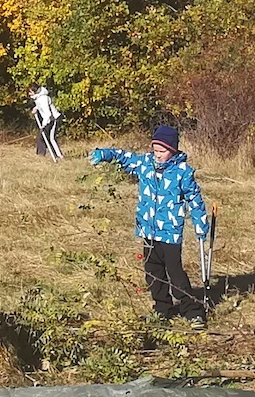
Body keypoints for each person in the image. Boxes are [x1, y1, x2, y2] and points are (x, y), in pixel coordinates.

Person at [89, 124, 214, 322]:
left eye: (162, 151)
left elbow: (194, 199)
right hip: (148, 230)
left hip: (170, 233)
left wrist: (200, 224)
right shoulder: (145, 164)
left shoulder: (182, 172)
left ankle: (193, 311)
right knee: (153, 273)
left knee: (175, 275)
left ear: (172, 151)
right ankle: (162, 309)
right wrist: (104, 154)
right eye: (155, 150)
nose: (157, 154)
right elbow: (124, 157)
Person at [28, 83, 64, 160]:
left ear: (35, 91)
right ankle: (44, 154)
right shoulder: (38, 98)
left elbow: (47, 113)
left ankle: (59, 156)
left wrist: (43, 124)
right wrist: (36, 108)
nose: (29, 93)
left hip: (54, 119)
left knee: (51, 138)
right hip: (49, 120)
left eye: (30, 91)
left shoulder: (43, 98)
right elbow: (40, 106)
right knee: (43, 137)